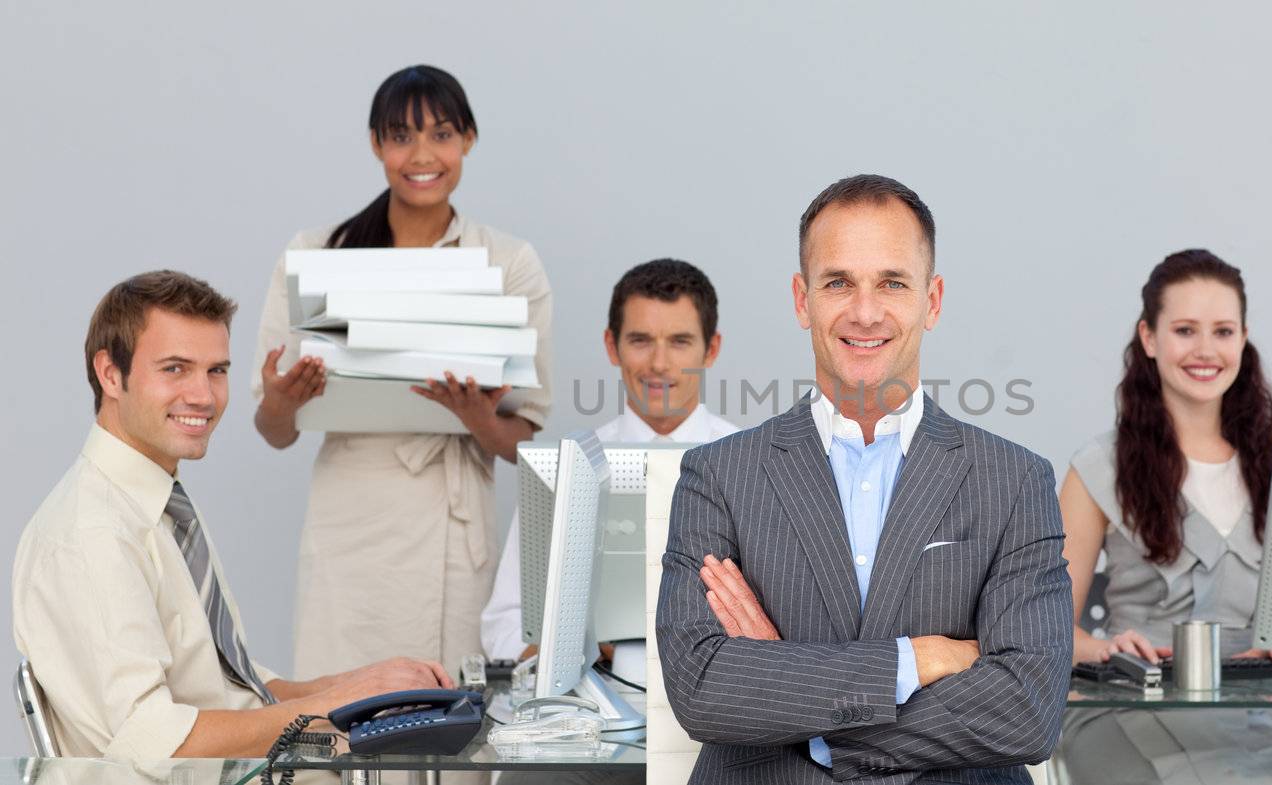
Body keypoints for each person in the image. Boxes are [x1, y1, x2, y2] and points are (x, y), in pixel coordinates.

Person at [655, 175, 1072, 783]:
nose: (865, 312)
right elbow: (703, 688)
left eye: (893, 283)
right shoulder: (717, 475)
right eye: (838, 282)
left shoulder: (1015, 481)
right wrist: (920, 658)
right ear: (803, 300)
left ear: (932, 301)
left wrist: (799, 699)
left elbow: (1026, 710)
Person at [12, 271, 453, 759]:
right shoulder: (92, 534)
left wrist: (359, 687)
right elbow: (154, 740)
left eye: (216, 370)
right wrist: (333, 703)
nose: (203, 396)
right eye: (175, 369)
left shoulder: (158, 507)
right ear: (111, 374)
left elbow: (232, 685)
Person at [251, 65, 554, 681]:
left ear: (468, 139)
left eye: (441, 134)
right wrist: (285, 400)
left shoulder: (508, 262)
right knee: (340, 719)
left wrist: (475, 417)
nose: (422, 155)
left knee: (450, 727)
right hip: (350, 529)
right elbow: (274, 429)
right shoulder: (317, 254)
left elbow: (523, 444)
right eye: (400, 137)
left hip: (451, 528)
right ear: (375, 144)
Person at [1057, 250, 1272, 785]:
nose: (1206, 350)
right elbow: (1042, 625)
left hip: (1241, 723)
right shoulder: (1099, 467)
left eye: (1223, 331)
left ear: (1243, 339)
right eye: (1186, 330)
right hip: (1123, 715)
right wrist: (1105, 648)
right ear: (1149, 338)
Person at [480, 258, 739, 663]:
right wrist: (583, 644)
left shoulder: (753, 463)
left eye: (679, 341)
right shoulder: (564, 470)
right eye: (640, 340)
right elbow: (504, 628)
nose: (658, 363)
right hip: (595, 706)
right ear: (611, 345)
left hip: (722, 708)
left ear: (712, 349)